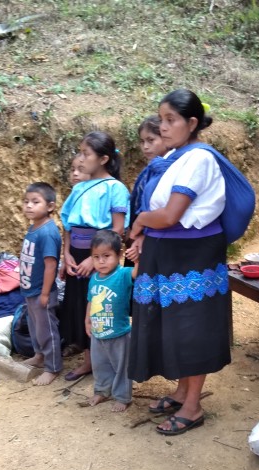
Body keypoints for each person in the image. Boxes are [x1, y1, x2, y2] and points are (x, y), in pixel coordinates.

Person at [128, 89, 232, 436]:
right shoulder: (177, 157)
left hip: (192, 256)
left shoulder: (198, 159)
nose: (164, 125)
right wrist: (147, 224)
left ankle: (193, 406)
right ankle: (182, 391)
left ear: (191, 123)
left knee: (191, 328)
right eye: (162, 118)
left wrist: (141, 220)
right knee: (175, 325)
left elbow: (171, 215)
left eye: (171, 120)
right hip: (169, 254)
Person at [59, 131, 130, 381]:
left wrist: (93, 258)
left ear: (103, 159)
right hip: (76, 254)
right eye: (79, 152)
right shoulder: (80, 187)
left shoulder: (115, 188)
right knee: (79, 306)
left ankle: (106, 362)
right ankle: (89, 361)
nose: (80, 158)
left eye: (85, 153)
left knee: (99, 307)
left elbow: (118, 228)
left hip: (100, 256)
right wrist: (66, 253)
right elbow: (68, 223)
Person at [84, 230, 138, 412]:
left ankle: (123, 397)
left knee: (122, 367)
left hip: (119, 333)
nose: (101, 261)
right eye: (96, 257)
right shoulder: (94, 279)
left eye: (106, 256)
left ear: (119, 255)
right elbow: (91, 300)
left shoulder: (123, 274)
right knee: (100, 365)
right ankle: (102, 391)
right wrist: (87, 320)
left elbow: (139, 272)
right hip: (98, 333)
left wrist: (137, 259)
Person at [19, 182, 62, 386]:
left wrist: (45, 293)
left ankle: (53, 367)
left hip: (41, 292)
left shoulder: (47, 233)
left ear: (50, 206)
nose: (29, 206)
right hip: (30, 290)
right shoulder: (33, 227)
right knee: (35, 327)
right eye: (26, 201)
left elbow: (50, 265)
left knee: (47, 330)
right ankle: (39, 356)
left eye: (35, 202)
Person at [126, 115, 167, 265]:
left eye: (151, 140)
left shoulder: (170, 171)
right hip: (137, 236)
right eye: (142, 141)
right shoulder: (148, 171)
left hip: (152, 239)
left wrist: (142, 234)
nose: (145, 146)